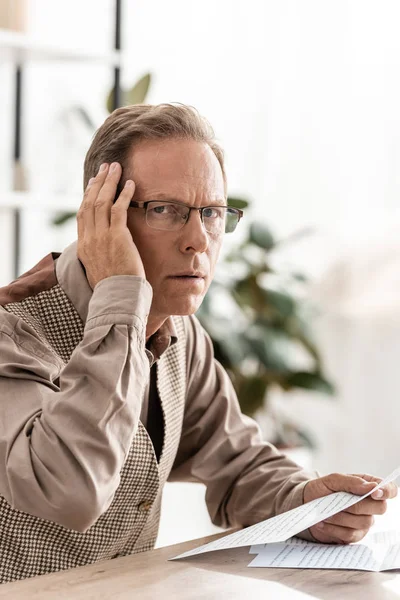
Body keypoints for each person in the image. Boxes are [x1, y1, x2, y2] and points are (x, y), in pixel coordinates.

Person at [0, 103, 396, 584]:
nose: (198, 241)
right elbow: (69, 490)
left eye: (211, 213)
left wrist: (306, 501)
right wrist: (120, 298)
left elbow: (236, 461)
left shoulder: (179, 332)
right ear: (100, 217)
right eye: (165, 210)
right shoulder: (12, 332)